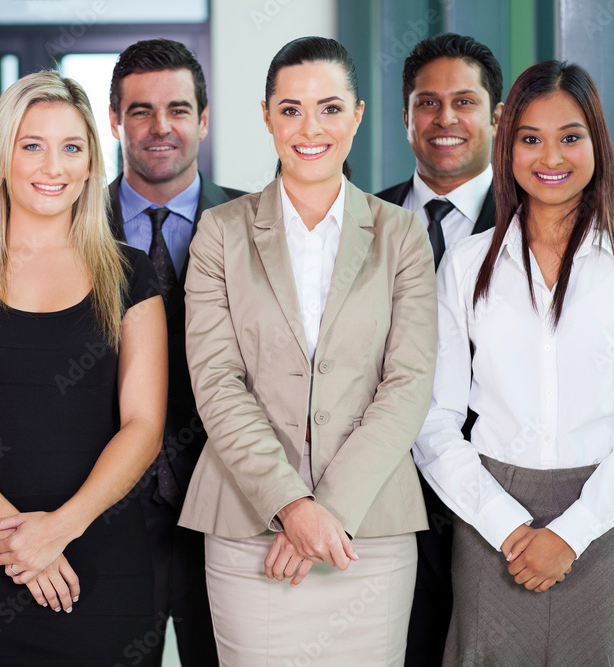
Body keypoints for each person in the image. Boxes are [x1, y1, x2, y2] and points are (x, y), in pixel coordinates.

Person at [414, 60, 614, 665]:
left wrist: (569, 532)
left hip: (603, 520)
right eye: (530, 139)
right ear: (508, 146)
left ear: (597, 142)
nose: (550, 157)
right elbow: (434, 422)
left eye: (570, 137)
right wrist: (511, 529)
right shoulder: (464, 265)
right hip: (489, 524)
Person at [179, 36, 438, 665]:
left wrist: (330, 511)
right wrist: (292, 506)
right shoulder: (220, 231)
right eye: (290, 109)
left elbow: (408, 382)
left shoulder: (402, 232)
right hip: (250, 527)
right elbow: (216, 381)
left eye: (329, 107)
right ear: (266, 116)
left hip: (368, 530)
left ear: (357, 115)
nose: (309, 127)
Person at [0, 70, 167, 666]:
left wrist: (61, 528)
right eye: (32, 146)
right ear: (1, 157)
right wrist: (20, 538)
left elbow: (144, 425)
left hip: (102, 565)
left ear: (93, 163)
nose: (54, 167)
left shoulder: (131, 274)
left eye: (72, 147)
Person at [106, 37, 245, 666]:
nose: (161, 128)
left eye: (179, 110)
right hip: (102, 510)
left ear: (204, 119)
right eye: (140, 111)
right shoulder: (70, 224)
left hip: (228, 505)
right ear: (115, 120)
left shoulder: (255, 225)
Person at [373, 33, 503, 665]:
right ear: (405, 117)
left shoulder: (536, 224)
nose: (445, 119)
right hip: (382, 497)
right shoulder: (363, 222)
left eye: (464, 101)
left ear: (497, 117)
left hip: (500, 494)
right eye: (427, 103)